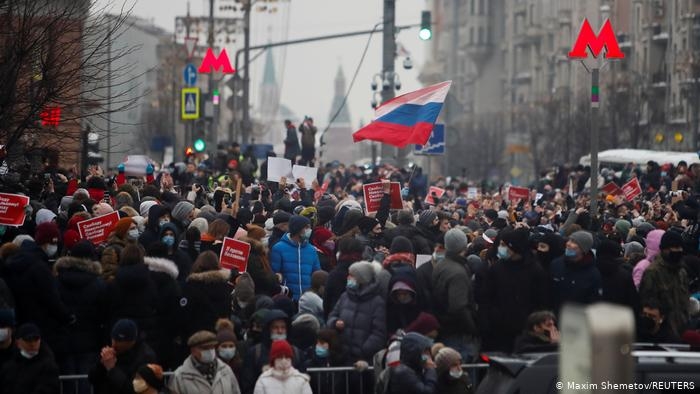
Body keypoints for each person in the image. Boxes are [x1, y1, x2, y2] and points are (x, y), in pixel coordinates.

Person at [480, 228, 549, 353]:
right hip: (499, 329)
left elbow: (541, 301)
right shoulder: (497, 268)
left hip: (525, 331)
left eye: (504, 245)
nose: (500, 249)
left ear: (515, 247)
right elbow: (486, 296)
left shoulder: (535, 270)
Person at [327, 261, 386, 392]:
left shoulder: (376, 303)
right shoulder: (345, 297)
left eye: (352, 275)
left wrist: (362, 350)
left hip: (363, 364)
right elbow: (332, 316)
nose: (348, 278)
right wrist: (335, 323)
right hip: (343, 359)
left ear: (362, 279)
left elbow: (379, 333)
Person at [432, 229, 479, 361]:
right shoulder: (457, 272)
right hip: (458, 334)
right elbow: (458, 306)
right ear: (464, 246)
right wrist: (473, 328)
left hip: (444, 328)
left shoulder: (440, 266)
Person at [639, 231, 690, 339]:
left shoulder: (682, 272)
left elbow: (685, 301)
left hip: (681, 330)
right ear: (664, 249)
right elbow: (647, 304)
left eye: (680, 247)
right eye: (674, 247)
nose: (678, 250)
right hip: (661, 334)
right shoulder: (653, 272)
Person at [88, 319, 158, 394]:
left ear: (131, 342)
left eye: (119, 342)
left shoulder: (146, 356)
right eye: (113, 339)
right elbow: (92, 378)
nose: (114, 344)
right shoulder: (110, 349)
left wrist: (112, 369)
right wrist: (101, 364)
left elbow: (135, 390)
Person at [179, 251, 233, 342]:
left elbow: (184, 314)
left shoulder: (191, 286)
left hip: (195, 336)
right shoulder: (224, 286)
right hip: (218, 335)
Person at [169, 330, 241, 394]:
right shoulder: (180, 376)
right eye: (205, 348)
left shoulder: (226, 371)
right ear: (193, 351)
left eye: (212, 347)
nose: (209, 351)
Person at [270, 215, 321, 301]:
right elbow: (274, 273)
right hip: (287, 298)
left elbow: (317, 272)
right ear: (298, 229)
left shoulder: (311, 250)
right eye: (307, 227)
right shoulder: (278, 248)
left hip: (307, 298)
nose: (309, 230)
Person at [550, 231, 602, 314]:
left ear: (583, 249)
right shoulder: (556, 264)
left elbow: (593, 302)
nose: (568, 244)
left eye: (574, 242)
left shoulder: (592, 274)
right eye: (569, 240)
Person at [0, 323, 60, 394]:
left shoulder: (48, 366)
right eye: (28, 340)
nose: (32, 343)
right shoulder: (9, 367)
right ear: (18, 342)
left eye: (36, 339)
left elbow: (48, 389)